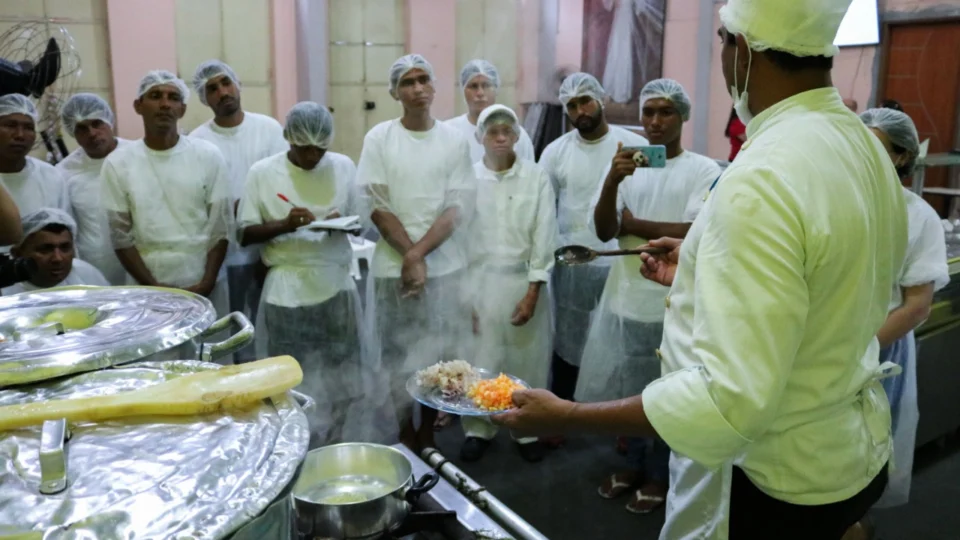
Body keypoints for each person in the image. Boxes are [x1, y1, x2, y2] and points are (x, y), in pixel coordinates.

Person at [494, 1, 908, 538]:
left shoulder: (764, 174)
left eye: (723, 40)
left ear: (746, 52)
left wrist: (567, 416)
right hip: (847, 450)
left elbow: (728, 401)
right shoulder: (861, 145)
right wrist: (697, 263)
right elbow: (827, 274)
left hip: (770, 477)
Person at [584, 78, 721, 514]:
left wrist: (635, 222)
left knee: (671, 393)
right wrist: (610, 182)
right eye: (648, 113)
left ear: (683, 117)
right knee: (634, 392)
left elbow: (696, 233)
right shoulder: (628, 166)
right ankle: (633, 465)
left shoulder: (704, 170)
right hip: (627, 301)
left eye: (666, 113)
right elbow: (605, 229)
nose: (656, 122)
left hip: (674, 303)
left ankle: (661, 475)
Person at [238, 102, 377, 447]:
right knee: (291, 376)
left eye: (320, 148)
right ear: (288, 139)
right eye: (304, 148)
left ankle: (335, 440)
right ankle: (295, 443)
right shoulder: (263, 173)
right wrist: (284, 225)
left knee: (344, 372)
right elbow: (244, 233)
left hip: (334, 285)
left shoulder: (343, 167)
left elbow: (363, 223)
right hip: (286, 290)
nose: (313, 155)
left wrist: (341, 222)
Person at [841, 108, 950, 539]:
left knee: (864, 456)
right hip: (824, 346)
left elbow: (917, 305)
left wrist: (856, 350)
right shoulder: (837, 202)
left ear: (902, 157)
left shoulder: (917, 216)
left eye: (874, 146)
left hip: (878, 350)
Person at [358, 54, 475, 451]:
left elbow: (457, 206)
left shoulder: (454, 140)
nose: (417, 87)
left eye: (424, 79)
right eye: (407, 82)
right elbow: (377, 204)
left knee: (440, 356)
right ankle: (406, 434)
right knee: (398, 358)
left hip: (445, 268)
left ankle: (429, 435)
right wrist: (409, 258)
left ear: (435, 87)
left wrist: (417, 256)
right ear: (395, 92)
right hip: (393, 271)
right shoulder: (380, 138)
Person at [538, 72, 647, 404]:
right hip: (571, 265)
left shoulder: (634, 147)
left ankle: (618, 418)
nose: (580, 110)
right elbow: (541, 212)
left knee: (620, 342)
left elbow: (651, 197)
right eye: (571, 105)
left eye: (585, 101)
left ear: (600, 99)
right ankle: (562, 415)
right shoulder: (554, 153)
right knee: (568, 343)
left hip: (621, 264)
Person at [460, 105, 557, 463]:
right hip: (482, 282)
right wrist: (467, 297)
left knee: (527, 359)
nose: (500, 139)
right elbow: (463, 241)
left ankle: (526, 429)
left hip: (522, 280)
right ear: (480, 137)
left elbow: (545, 234)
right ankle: (477, 427)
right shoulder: (468, 180)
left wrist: (533, 291)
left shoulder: (535, 177)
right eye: (492, 132)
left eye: (507, 132)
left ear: (517, 136)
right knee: (483, 358)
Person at [102, 70, 231, 317]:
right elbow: (120, 236)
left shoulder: (207, 156)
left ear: (182, 109)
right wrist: (152, 286)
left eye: (173, 97)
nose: (164, 104)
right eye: (155, 96)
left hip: (203, 278)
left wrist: (207, 281)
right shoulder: (119, 163)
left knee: (207, 352)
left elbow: (221, 226)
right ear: (138, 106)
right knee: (160, 355)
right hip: (148, 285)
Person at [191, 60, 288, 360]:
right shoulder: (197, 141)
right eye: (212, 89)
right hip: (224, 256)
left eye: (226, 83)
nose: (222, 92)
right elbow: (200, 200)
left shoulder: (269, 129)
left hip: (269, 247)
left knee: (270, 328)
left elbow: (282, 185)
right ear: (204, 99)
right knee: (233, 332)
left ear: (237, 85)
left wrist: (247, 207)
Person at [57, 93, 131, 285]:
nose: (92, 133)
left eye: (97, 123)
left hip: (145, 261)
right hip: (95, 268)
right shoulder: (64, 173)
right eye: (82, 129)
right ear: (73, 133)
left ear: (109, 122)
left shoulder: (138, 155)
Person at [0, 94, 69, 234]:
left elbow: (65, 231)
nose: (20, 135)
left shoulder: (51, 176)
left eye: (28, 127)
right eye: (10, 125)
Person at [444, 60, 535, 163]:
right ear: (463, 90)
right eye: (473, 86)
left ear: (496, 89)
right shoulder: (449, 133)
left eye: (486, 85)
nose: (480, 93)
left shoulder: (516, 135)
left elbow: (529, 175)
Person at [2, 208, 108, 295]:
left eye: (65, 248)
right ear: (16, 253)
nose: (58, 258)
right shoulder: (4, 291)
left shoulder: (87, 275)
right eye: (45, 249)